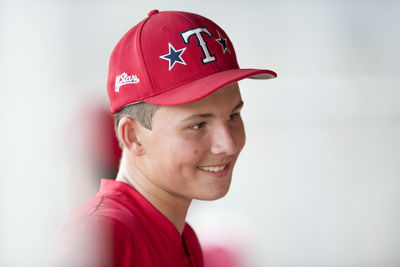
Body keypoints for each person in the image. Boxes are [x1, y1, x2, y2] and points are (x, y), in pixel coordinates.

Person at [51, 9, 276, 267]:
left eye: (233, 116)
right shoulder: (98, 237)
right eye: (198, 124)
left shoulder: (182, 234)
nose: (229, 143)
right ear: (133, 136)